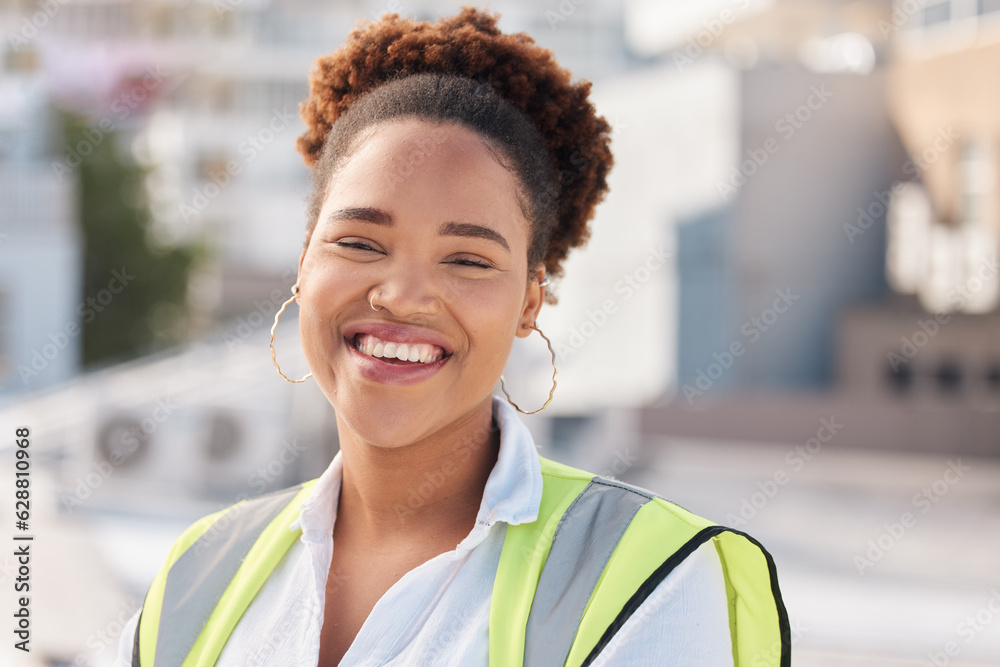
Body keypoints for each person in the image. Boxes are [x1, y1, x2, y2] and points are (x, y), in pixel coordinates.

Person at [118, 7, 789, 667]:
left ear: (530, 301)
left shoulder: (655, 584)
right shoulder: (195, 579)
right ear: (304, 264)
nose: (402, 295)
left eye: (467, 259)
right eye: (359, 241)